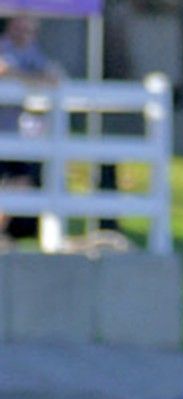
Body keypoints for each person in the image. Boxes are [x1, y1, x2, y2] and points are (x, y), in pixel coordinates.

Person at [0, 15, 61, 243]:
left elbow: (53, 78)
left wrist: (22, 77)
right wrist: (31, 79)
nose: (25, 29)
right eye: (21, 24)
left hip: (13, 134)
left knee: (19, 182)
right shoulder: (4, 47)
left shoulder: (32, 52)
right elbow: (3, 71)